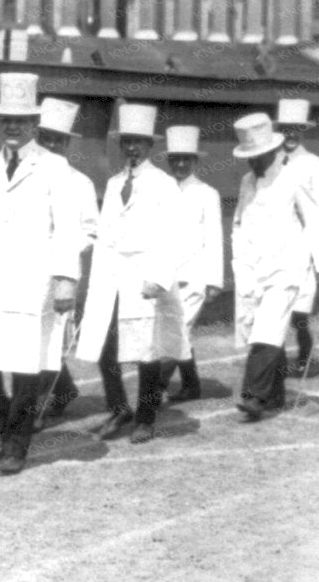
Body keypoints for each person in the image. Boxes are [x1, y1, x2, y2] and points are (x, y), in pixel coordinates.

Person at [0, 72, 80, 475]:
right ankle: (5, 425)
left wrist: (66, 278)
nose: (13, 126)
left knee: (26, 366)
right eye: (6, 119)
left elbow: (67, 228)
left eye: (21, 120)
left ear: (33, 125)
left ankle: (16, 446)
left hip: (32, 280)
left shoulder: (55, 167)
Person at [74, 103, 184, 445]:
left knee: (146, 349)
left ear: (150, 146)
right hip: (110, 276)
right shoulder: (114, 182)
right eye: (127, 142)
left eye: (138, 142)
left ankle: (145, 418)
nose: (132, 148)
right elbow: (105, 231)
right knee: (104, 344)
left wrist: (158, 276)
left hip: (144, 278)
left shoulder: (163, 184)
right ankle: (119, 407)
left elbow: (175, 233)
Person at [230, 113, 319, 421]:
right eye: (249, 158)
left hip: (287, 268)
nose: (254, 163)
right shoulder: (246, 182)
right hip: (253, 270)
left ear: (271, 151)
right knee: (261, 332)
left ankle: (253, 396)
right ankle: (274, 395)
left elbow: (316, 223)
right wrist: (241, 265)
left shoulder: (293, 177)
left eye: (258, 157)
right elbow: (238, 225)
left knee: (267, 331)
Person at [32, 97, 99, 424]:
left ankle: (38, 406)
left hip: (61, 274)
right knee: (29, 339)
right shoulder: (25, 175)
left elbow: (91, 231)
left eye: (59, 139)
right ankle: (65, 388)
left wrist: (67, 249)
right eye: (47, 137)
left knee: (54, 338)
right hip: (25, 270)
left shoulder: (80, 182)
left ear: (68, 142)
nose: (52, 144)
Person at [159, 126, 223, 404]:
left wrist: (214, 280)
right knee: (175, 332)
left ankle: (151, 393)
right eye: (176, 159)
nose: (181, 164)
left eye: (186, 159)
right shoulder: (160, 189)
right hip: (164, 277)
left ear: (195, 161)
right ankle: (192, 385)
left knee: (178, 331)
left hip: (194, 277)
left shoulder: (207, 193)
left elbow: (214, 238)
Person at [274, 98, 319, 376]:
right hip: (276, 247)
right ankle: (276, 360)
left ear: (303, 131)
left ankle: (304, 357)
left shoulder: (313, 163)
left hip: (304, 246)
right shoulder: (271, 161)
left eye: (296, 129)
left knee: (299, 314)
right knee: (275, 311)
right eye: (286, 129)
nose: (291, 134)